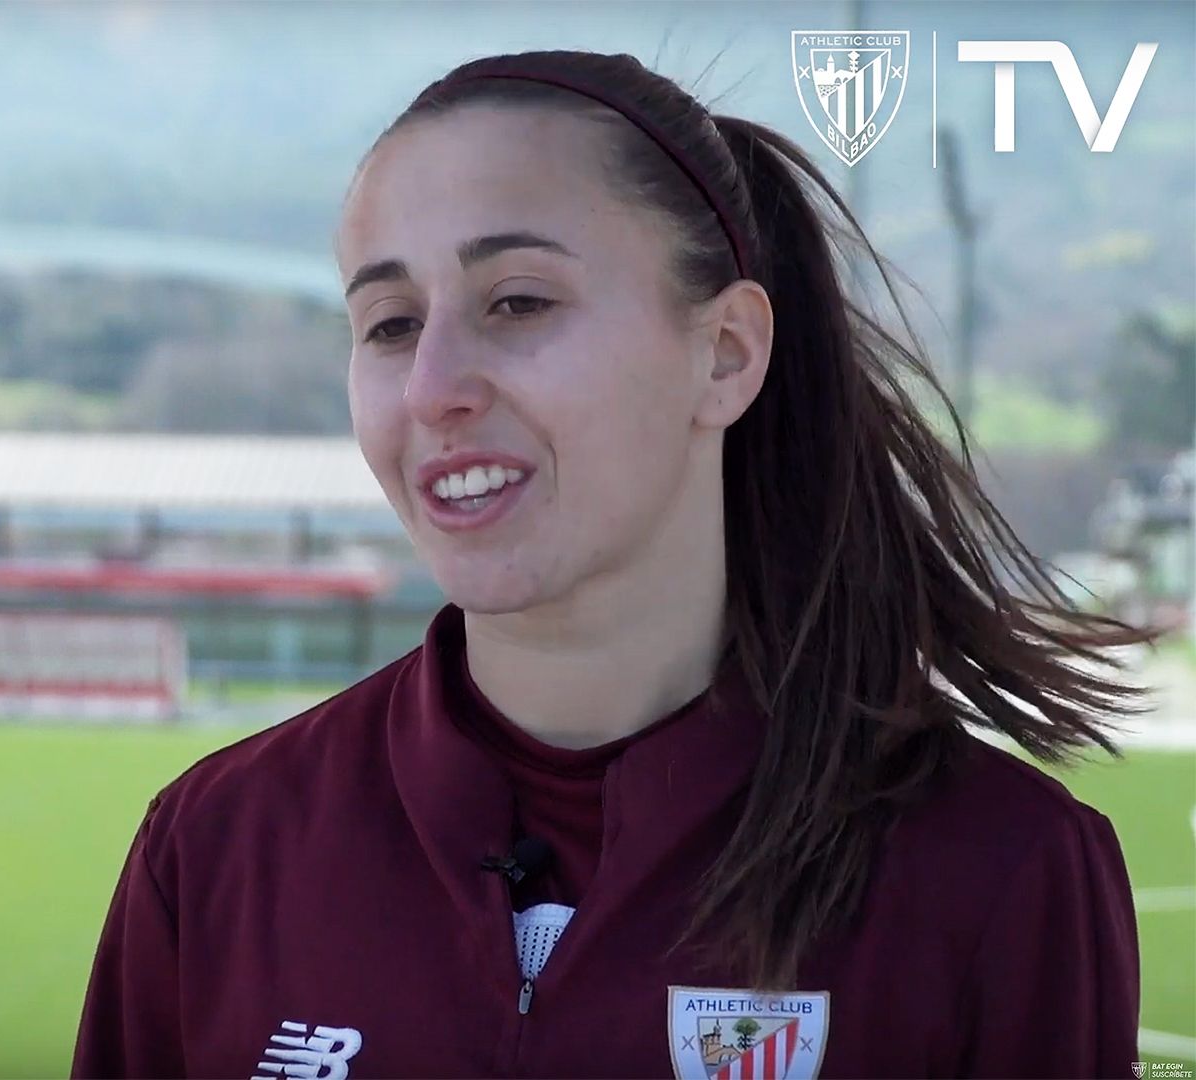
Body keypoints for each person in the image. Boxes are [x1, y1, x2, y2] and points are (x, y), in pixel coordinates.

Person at [71, 49, 1149, 1080]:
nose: (433, 385)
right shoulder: (216, 848)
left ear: (725, 354)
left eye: (519, 303)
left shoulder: (1000, 873)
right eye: (391, 324)